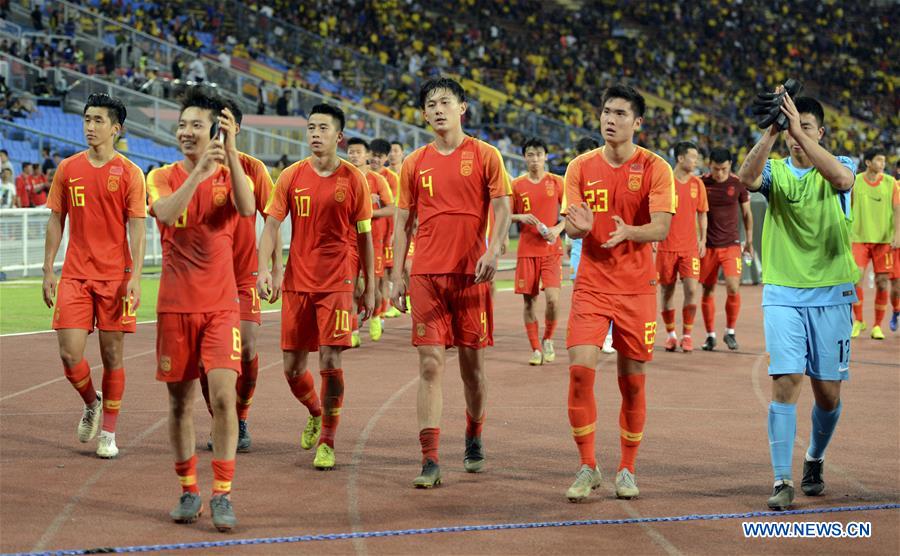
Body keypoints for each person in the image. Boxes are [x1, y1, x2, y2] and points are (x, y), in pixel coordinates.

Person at [737, 91, 858, 511]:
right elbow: (746, 179)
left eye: (805, 126)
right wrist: (771, 134)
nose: (796, 134)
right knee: (786, 381)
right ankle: (781, 479)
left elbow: (842, 181)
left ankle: (814, 457)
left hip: (833, 291)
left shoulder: (842, 168)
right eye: (792, 127)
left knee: (827, 395)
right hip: (784, 293)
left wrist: (800, 135)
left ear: (820, 132)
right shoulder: (775, 172)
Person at [391, 77, 511, 488]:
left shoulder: (485, 155)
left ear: (463, 108)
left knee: (472, 370)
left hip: (471, 276)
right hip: (426, 275)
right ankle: (429, 458)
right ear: (424, 114)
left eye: (446, 101)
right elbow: (402, 222)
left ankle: (474, 433)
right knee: (429, 364)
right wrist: (396, 273)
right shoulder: (413, 162)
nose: (438, 108)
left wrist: (494, 249)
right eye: (431, 103)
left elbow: (502, 207)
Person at [146, 87, 255, 531]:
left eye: (197, 125)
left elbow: (248, 209)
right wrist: (198, 173)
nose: (188, 132)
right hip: (175, 308)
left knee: (225, 397)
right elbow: (167, 214)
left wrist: (228, 153)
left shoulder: (234, 177)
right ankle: (189, 489)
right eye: (183, 124)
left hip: (220, 308)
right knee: (179, 404)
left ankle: (223, 494)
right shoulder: (160, 175)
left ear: (214, 129)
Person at [562, 84, 674, 503]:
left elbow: (661, 227)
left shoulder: (655, 168)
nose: (610, 119)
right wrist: (580, 225)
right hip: (592, 284)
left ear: (637, 122)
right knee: (579, 374)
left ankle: (626, 468)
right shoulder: (579, 167)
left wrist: (631, 231)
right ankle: (588, 466)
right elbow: (572, 226)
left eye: (620, 114)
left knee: (633, 384)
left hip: (636, 290)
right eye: (606, 111)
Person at [256, 103, 374, 471]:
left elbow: (365, 236)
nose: (315, 134)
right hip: (297, 282)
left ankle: (328, 440)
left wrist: (368, 285)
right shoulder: (291, 176)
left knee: (330, 359)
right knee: (292, 368)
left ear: (338, 136)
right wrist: (265, 270)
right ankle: (315, 410)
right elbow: (272, 226)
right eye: (311, 128)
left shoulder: (354, 179)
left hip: (337, 281)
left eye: (323, 128)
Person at [41, 93, 146, 459]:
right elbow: (56, 218)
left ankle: (108, 433)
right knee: (70, 356)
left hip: (115, 278)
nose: (90, 126)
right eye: (87, 119)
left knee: (113, 356)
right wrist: (48, 268)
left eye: (98, 120)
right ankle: (91, 402)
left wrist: (134, 275)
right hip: (75, 276)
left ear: (115, 128)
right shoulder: (68, 168)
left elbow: (137, 227)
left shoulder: (130, 173)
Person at [199, 99, 282, 453]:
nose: (219, 130)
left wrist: (273, 268)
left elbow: (272, 219)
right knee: (203, 360)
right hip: (203, 279)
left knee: (246, 347)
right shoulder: (192, 169)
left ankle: (241, 415)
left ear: (238, 129)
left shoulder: (253, 169)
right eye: (214, 124)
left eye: (226, 124)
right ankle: (220, 417)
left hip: (244, 276)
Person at [511, 137, 564, 365]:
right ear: (525, 157)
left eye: (539, 154)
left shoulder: (557, 182)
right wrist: (520, 216)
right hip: (527, 251)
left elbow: (567, 214)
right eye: (530, 155)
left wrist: (558, 229)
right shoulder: (516, 185)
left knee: (553, 300)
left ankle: (548, 339)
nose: (535, 159)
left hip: (552, 250)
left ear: (545, 157)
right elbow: (504, 215)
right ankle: (535, 348)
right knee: (529, 302)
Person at [699, 147, 753, 351]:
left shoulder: (738, 184)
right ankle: (710, 335)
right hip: (708, 247)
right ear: (709, 165)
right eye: (715, 169)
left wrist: (749, 241)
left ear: (730, 165)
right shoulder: (701, 183)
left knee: (733, 286)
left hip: (731, 245)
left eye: (723, 169)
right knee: (708, 290)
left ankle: (730, 332)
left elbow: (747, 214)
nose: (719, 173)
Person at [657, 141, 708, 353]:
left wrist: (703, 239)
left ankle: (687, 335)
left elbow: (702, 213)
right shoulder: (664, 183)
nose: (696, 161)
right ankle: (670, 335)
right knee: (667, 291)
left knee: (691, 288)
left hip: (689, 248)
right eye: (693, 157)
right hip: (666, 246)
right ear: (680, 158)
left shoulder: (698, 184)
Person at [569, 137, 615, 354]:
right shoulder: (575, 175)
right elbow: (568, 213)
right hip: (580, 243)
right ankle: (585, 331)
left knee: (610, 290)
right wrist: (567, 239)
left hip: (605, 242)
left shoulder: (608, 175)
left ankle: (608, 333)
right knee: (581, 287)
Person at [346, 137, 393, 344]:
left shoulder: (377, 180)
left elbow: (392, 208)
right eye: (351, 152)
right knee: (351, 287)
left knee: (372, 284)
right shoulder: (343, 177)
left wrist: (370, 213)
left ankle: (376, 315)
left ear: (367, 155)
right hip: (348, 242)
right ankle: (353, 331)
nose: (354, 155)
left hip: (373, 242)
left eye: (358, 152)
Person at [849, 148, 897, 340]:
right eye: (879, 160)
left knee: (882, 282)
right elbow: (848, 206)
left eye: (884, 160)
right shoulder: (856, 181)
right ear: (868, 162)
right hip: (859, 238)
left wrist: (898, 234)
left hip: (883, 240)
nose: (883, 163)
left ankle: (877, 325)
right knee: (855, 279)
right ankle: (859, 320)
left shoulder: (890, 182)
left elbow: (898, 209)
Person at [369, 138, 403, 319]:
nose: (375, 159)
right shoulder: (361, 174)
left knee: (384, 274)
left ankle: (382, 312)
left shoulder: (391, 178)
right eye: (373, 155)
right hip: (367, 233)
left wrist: (394, 233)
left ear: (385, 158)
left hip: (384, 232)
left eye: (379, 156)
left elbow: (394, 206)